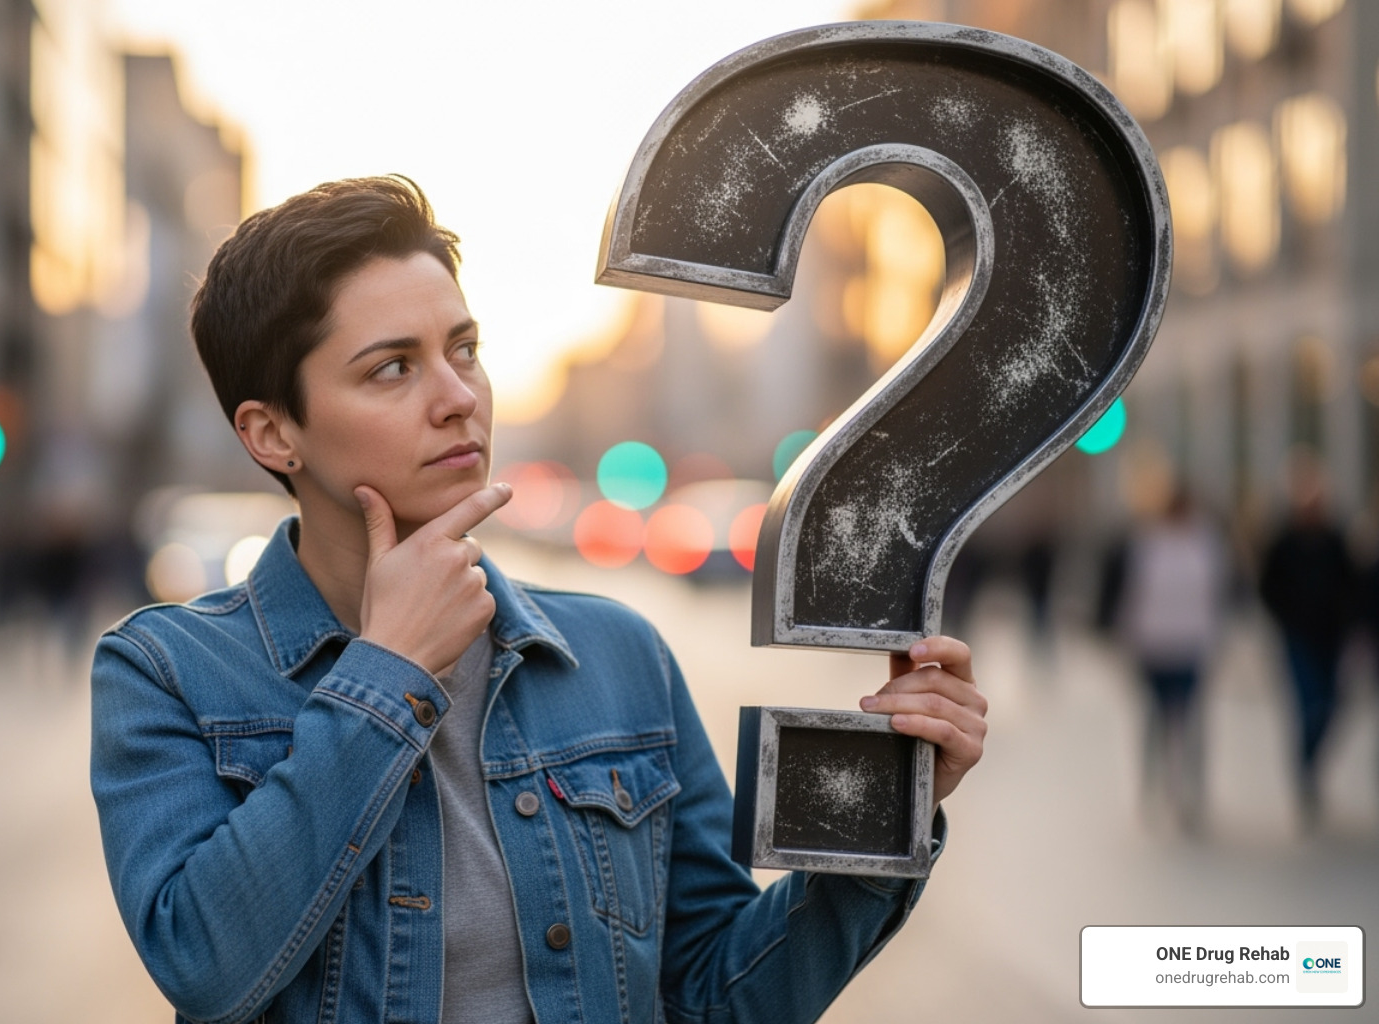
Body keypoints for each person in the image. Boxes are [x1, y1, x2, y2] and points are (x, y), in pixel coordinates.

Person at [89, 177, 988, 1024]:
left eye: (464, 350)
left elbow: (717, 997)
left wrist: (887, 815)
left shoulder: (617, 654)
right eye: (392, 369)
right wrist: (385, 676)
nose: (459, 399)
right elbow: (208, 967)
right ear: (273, 431)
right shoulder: (168, 671)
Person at [1115, 485, 1228, 832]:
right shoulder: (1148, 544)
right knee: (1155, 721)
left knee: (1191, 723)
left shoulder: (1206, 544)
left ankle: (1191, 793)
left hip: (1191, 643)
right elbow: (1133, 592)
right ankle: (1153, 787)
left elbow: (1217, 594)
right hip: (1154, 644)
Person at [1257, 453, 1355, 828]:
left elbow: (1350, 583)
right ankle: (1305, 773)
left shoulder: (1334, 538)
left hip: (1329, 636)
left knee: (1330, 704)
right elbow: (1269, 586)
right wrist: (1286, 618)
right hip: (1297, 636)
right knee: (1307, 702)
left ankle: (1311, 765)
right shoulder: (1283, 541)